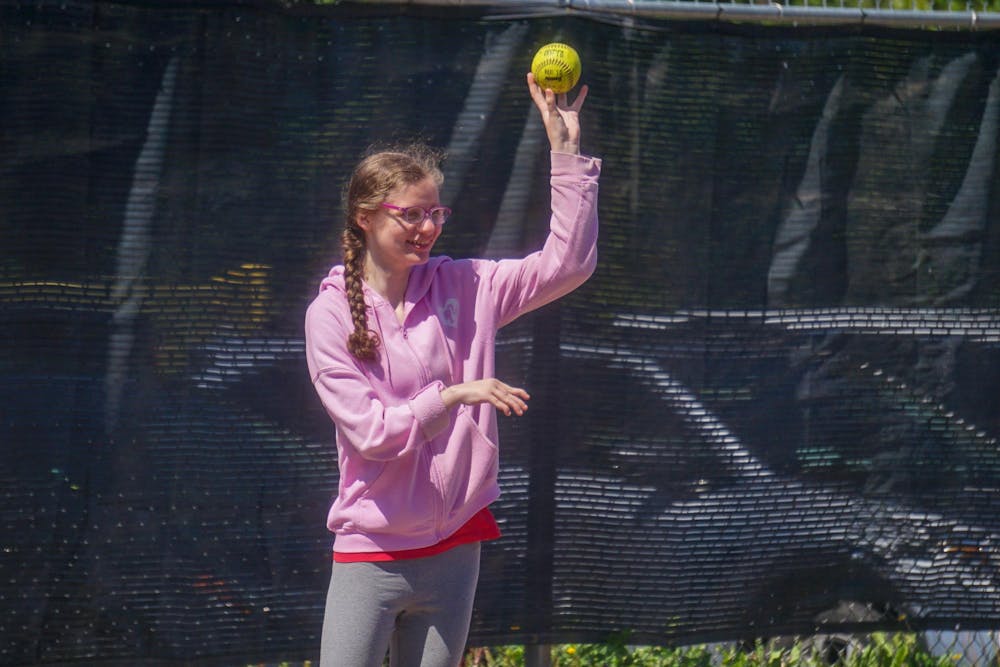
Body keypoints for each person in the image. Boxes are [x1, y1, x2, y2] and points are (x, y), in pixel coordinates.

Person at [304, 72, 600, 667]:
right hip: (372, 551)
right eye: (411, 215)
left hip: (456, 546)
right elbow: (372, 435)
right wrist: (452, 395)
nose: (429, 228)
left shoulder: (467, 284)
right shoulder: (329, 315)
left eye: (436, 213)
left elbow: (567, 264)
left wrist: (566, 156)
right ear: (364, 217)